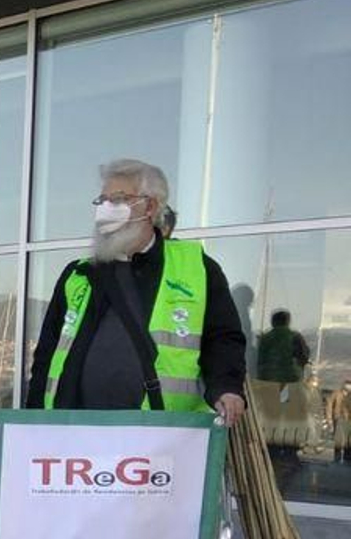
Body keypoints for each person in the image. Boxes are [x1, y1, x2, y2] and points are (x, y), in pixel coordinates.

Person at [25, 158, 246, 425]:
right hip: (73, 433)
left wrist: (225, 387)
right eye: (102, 200)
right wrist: (33, 420)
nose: (106, 209)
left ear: (150, 206)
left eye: (118, 200)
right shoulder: (78, 273)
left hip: (158, 439)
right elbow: (46, 354)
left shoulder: (196, 268)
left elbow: (222, 338)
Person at [256, 310, 309, 384]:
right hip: (290, 379)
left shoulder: (264, 338)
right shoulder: (295, 336)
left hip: (266, 379)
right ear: (287, 321)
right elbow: (303, 357)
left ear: (273, 322)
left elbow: (258, 360)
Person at [329, 379, 351, 464]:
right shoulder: (336, 393)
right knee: (338, 440)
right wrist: (329, 419)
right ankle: (337, 458)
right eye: (348, 384)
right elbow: (329, 405)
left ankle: (348, 459)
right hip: (339, 419)